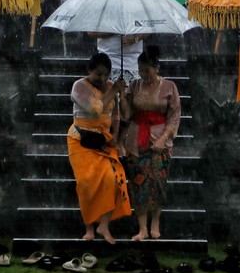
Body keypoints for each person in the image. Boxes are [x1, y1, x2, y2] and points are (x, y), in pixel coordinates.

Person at [67, 52, 130, 244]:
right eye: (98, 74)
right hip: (81, 140)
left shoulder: (112, 87)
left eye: (106, 75)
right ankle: (89, 227)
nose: (102, 79)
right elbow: (95, 108)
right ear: (90, 71)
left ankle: (104, 224)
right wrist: (112, 91)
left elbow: (120, 116)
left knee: (113, 178)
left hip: (104, 140)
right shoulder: (79, 86)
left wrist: (117, 140)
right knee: (86, 182)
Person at [121, 46, 181, 241]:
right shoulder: (134, 86)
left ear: (157, 68)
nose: (143, 74)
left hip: (159, 138)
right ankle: (142, 228)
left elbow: (174, 117)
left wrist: (164, 138)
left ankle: (155, 223)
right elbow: (127, 114)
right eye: (140, 70)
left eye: (147, 70)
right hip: (136, 139)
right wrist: (121, 95)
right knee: (138, 182)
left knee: (157, 182)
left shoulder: (169, 86)